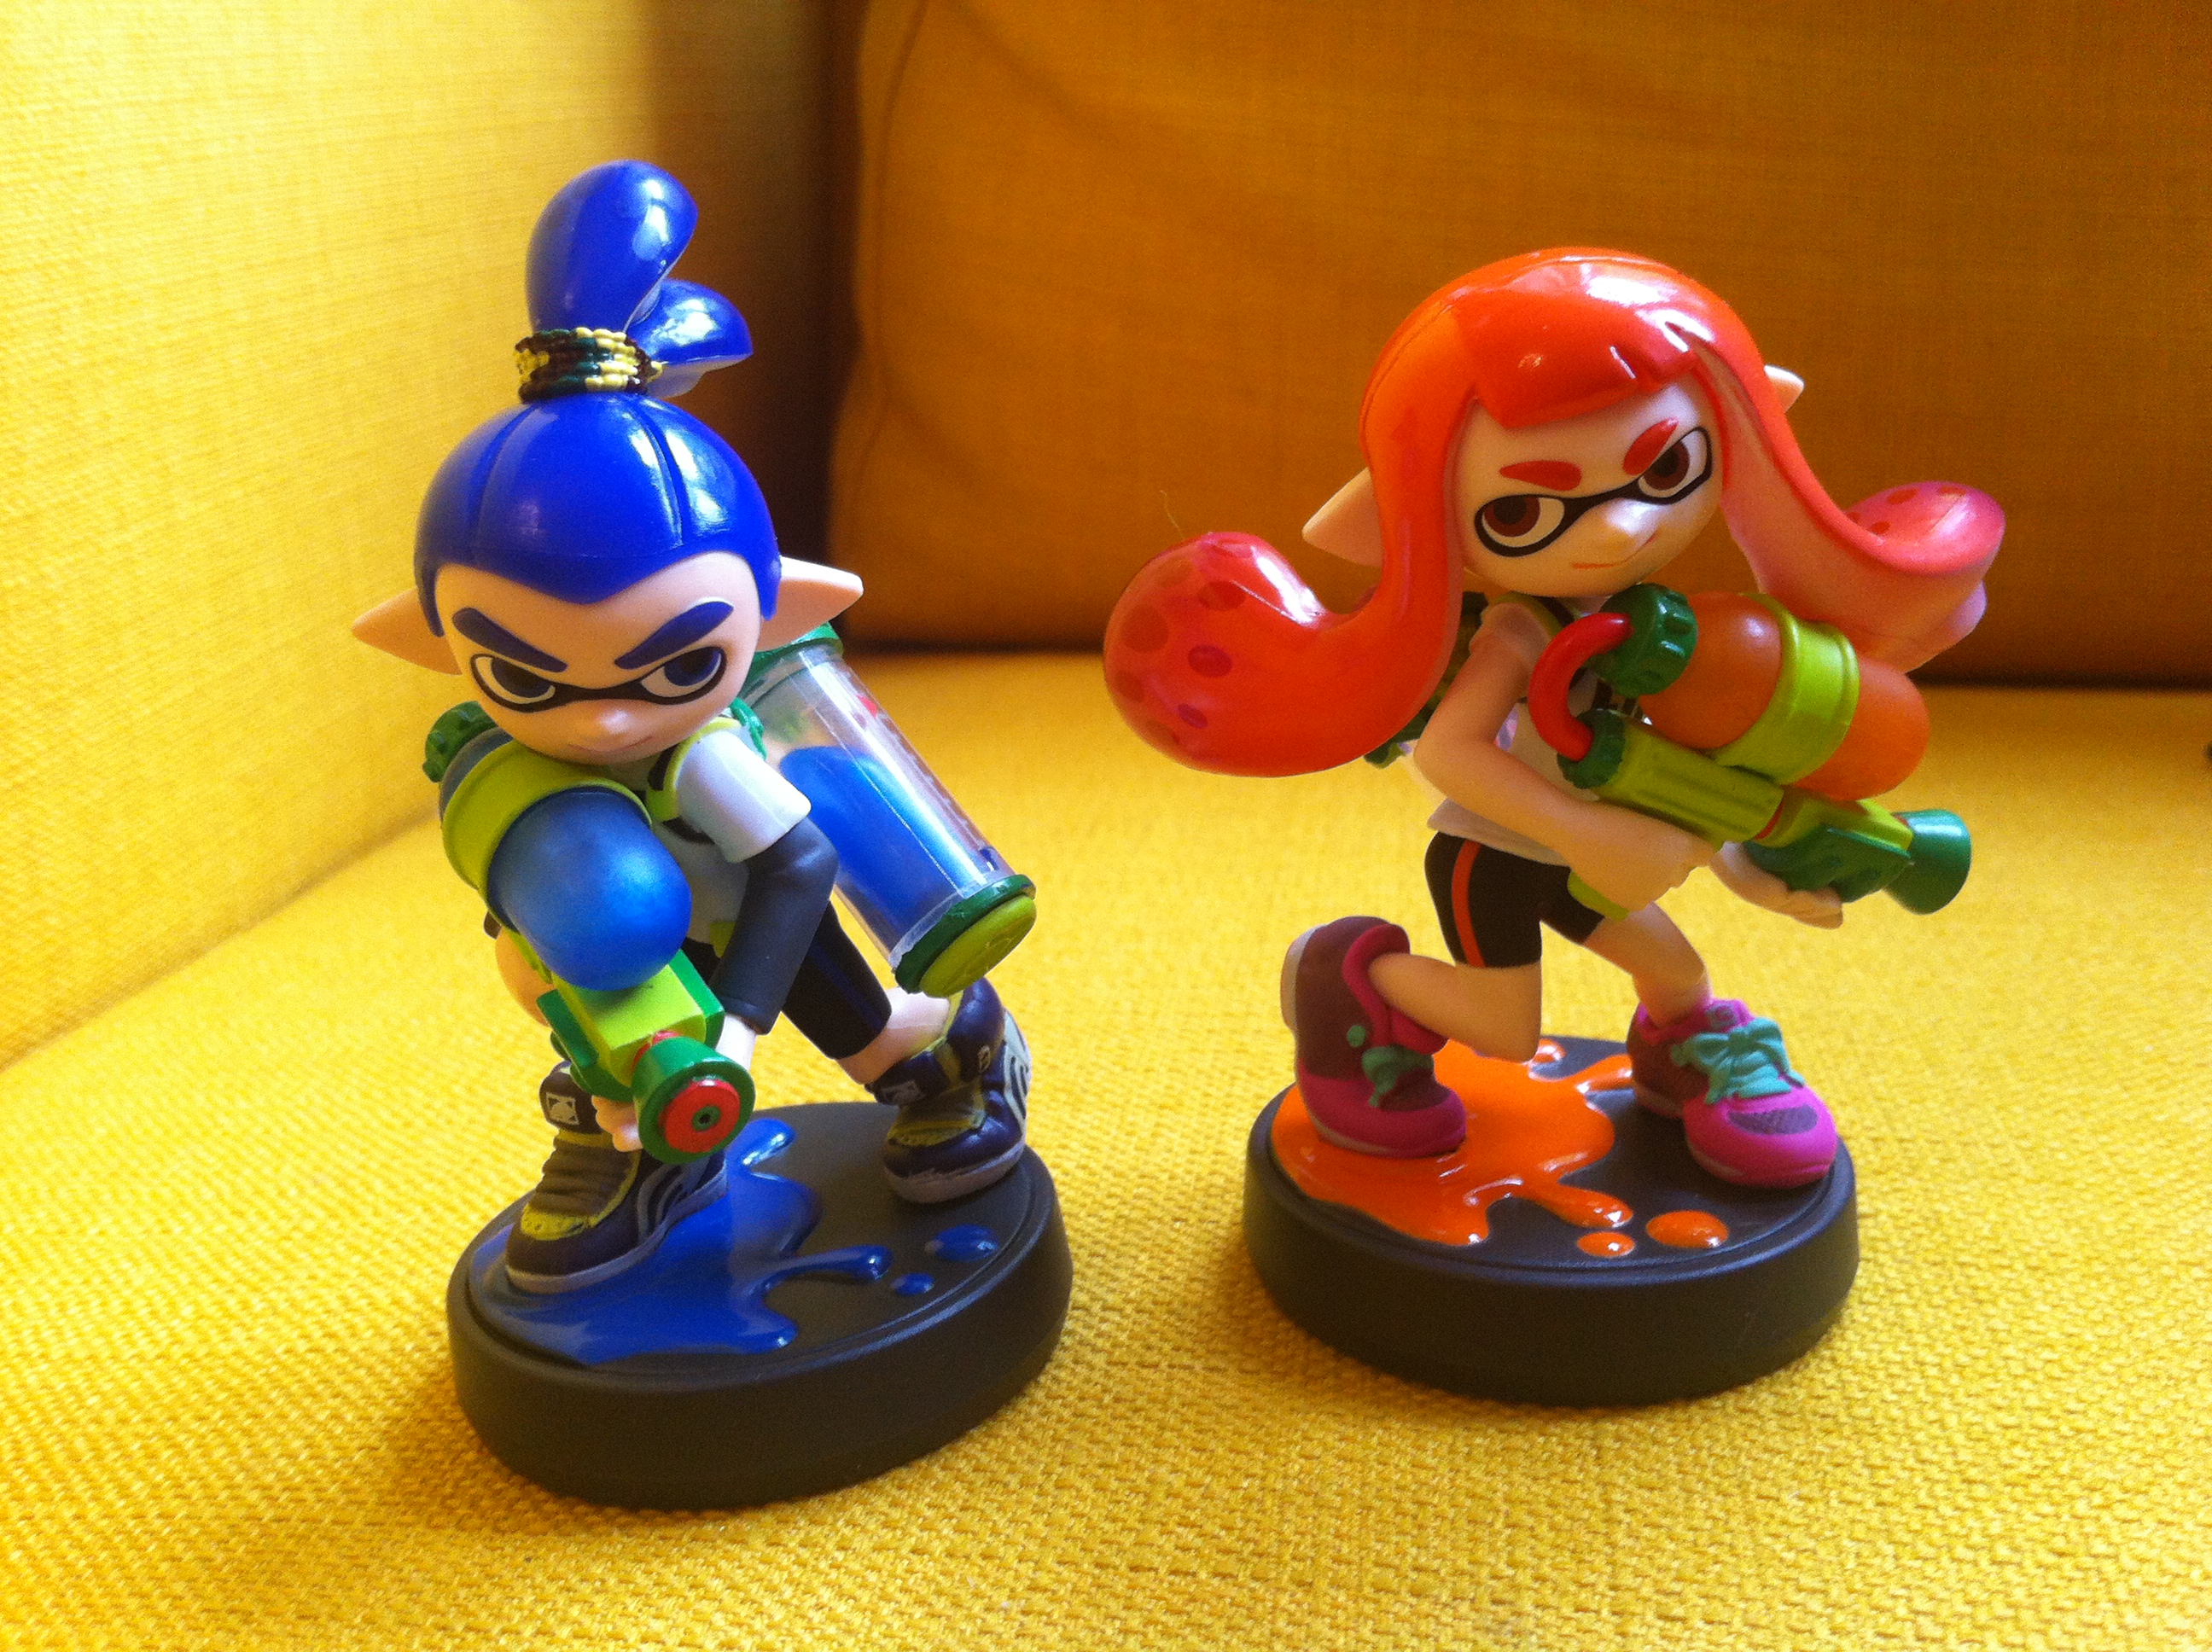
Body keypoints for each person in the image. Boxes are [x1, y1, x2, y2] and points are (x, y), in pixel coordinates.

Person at [1109, 249, 2000, 1188]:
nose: (1620, 528)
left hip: (1584, 848)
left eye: (1666, 468)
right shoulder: (1523, 630)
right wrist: (1588, 831)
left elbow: (1678, 764)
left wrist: (1752, 863)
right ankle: (1351, 980)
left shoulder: (1665, 627)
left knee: (1677, 973)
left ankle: (1683, 1055)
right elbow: (1451, 753)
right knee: (1503, 1029)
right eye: (1525, 512)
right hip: (1494, 858)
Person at [355, 162, 1027, 1292]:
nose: (608, 716)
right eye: (523, 673)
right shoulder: (507, 772)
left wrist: (742, 1026)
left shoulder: (704, 757)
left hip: (752, 925)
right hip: (618, 956)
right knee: (607, 1053)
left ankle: (955, 1054)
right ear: (438, 641)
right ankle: (636, 1157)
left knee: (862, 1029)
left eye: (677, 663)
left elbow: (798, 865)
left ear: (771, 611)